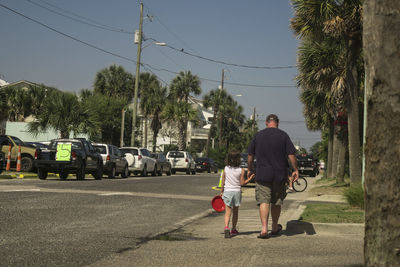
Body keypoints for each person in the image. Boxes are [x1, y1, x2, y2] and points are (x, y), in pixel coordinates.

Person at [247, 114, 299, 239]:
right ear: (278, 123)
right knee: (276, 202)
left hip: (263, 174)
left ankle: (264, 229)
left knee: (264, 201)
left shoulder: (258, 135)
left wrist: (250, 169)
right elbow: (291, 155)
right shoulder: (283, 135)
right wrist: (295, 169)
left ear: (266, 123)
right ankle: (275, 227)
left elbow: (250, 155)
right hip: (279, 175)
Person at [220, 150, 254, 238]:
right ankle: (233, 229)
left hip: (227, 191)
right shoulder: (241, 170)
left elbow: (223, 181)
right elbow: (242, 183)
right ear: (239, 159)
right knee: (235, 212)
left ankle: (226, 226)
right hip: (237, 192)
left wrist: (221, 191)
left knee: (227, 212)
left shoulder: (226, 168)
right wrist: (249, 179)